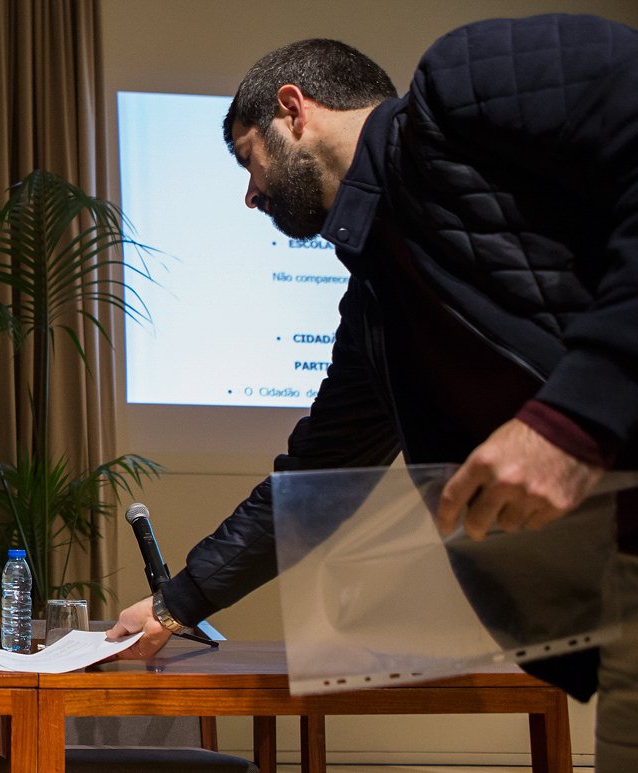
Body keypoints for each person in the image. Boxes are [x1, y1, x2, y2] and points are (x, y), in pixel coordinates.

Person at [107, 14, 638, 771]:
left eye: (247, 161)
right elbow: (316, 479)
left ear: (293, 109)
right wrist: (175, 603)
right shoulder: (376, 307)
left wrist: (573, 419)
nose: (249, 196)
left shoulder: (466, 82)